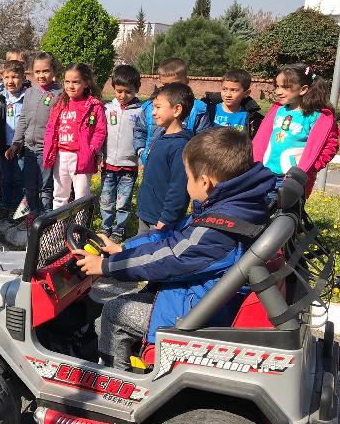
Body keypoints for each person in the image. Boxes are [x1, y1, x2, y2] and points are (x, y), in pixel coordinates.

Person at [74, 127, 276, 369]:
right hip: (204, 295)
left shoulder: (221, 227)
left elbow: (170, 257)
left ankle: (117, 382)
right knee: (137, 296)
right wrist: (123, 249)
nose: (186, 182)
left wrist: (107, 266)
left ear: (205, 182)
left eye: (188, 177)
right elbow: (173, 237)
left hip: (201, 313)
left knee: (115, 311)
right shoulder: (235, 205)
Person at [252, 64, 340, 197]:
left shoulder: (318, 117)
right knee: (260, 214)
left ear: (303, 89)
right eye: (277, 86)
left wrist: (310, 168)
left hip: (291, 181)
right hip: (265, 175)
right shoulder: (278, 110)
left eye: (286, 87)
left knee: (284, 216)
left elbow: (330, 146)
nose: (278, 91)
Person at [43, 63, 106, 209]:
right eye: (67, 81)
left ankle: (79, 230)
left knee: (81, 197)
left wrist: (91, 150)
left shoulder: (94, 106)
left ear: (86, 83)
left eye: (76, 82)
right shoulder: (59, 103)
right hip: (60, 155)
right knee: (59, 195)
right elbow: (50, 128)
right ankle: (58, 228)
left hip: (81, 157)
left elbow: (99, 131)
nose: (70, 86)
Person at [136, 83, 195, 233]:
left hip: (161, 220)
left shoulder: (180, 146)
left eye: (158, 107)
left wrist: (167, 218)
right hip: (147, 213)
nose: (153, 113)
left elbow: (179, 187)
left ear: (177, 110)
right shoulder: (162, 138)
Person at [10, 52, 62, 219]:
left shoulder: (60, 94)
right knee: (30, 184)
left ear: (54, 71)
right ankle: (33, 213)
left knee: (46, 186)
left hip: (47, 150)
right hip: (29, 149)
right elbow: (23, 118)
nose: (41, 75)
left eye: (45, 71)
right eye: (37, 71)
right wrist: (16, 143)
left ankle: (46, 217)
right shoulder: (30, 92)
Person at [133, 58, 211, 164]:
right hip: (153, 163)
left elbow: (203, 138)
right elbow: (139, 130)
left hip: (182, 165)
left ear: (187, 82)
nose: (170, 89)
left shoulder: (197, 110)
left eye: (175, 84)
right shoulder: (151, 107)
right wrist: (142, 151)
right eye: (165, 85)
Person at [99, 65, 142, 242]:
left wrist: (140, 159)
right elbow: (101, 133)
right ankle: (105, 227)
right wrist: (100, 155)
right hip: (108, 164)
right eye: (118, 91)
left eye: (128, 92)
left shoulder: (141, 111)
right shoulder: (107, 108)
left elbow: (142, 136)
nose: (122, 96)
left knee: (123, 201)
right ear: (113, 88)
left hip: (129, 166)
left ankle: (119, 229)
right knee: (106, 198)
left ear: (136, 89)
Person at [0, 60, 28, 220]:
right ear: (2, 78)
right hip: (3, 145)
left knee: (19, 179)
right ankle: (5, 206)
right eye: (6, 77)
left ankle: (16, 209)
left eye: (15, 77)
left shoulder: (28, 98)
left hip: (21, 146)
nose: (10, 81)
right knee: (5, 178)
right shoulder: (0, 98)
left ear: (23, 78)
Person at [205, 69, 263, 137]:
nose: (228, 95)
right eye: (224, 89)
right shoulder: (210, 110)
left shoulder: (251, 118)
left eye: (234, 90)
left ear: (246, 93)